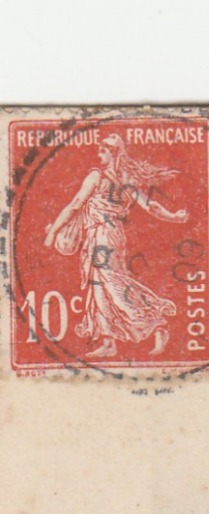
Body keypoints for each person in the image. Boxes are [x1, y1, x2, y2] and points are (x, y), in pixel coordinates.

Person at [41, 134, 189, 359]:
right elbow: (151, 206)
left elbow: (75, 205)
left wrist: (52, 232)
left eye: (102, 150)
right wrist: (174, 217)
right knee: (97, 286)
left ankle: (156, 323)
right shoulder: (127, 179)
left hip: (103, 236)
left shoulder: (96, 176)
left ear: (113, 152)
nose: (98, 154)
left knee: (110, 282)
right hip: (105, 236)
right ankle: (108, 342)